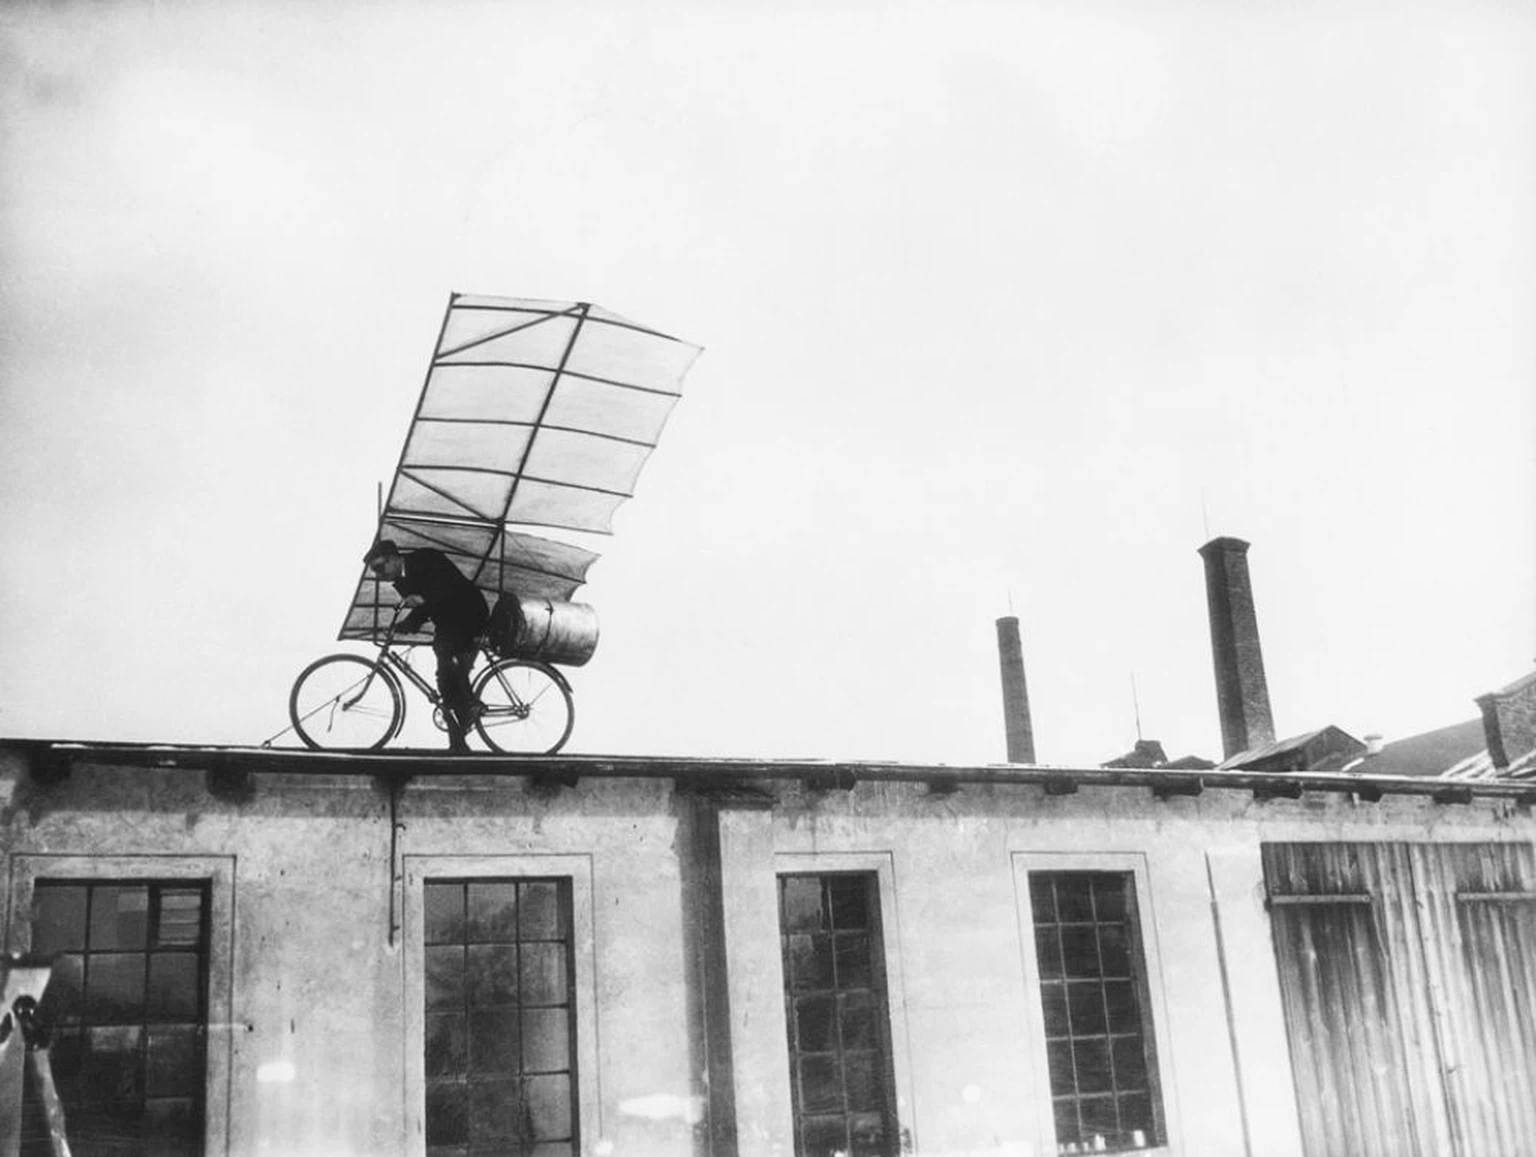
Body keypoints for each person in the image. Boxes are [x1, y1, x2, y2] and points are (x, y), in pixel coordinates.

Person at [364, 539, 489, 753]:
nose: (378, 574)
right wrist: (406, 625)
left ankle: (470, 705)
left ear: (393, 558)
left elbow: (450, 586)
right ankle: (458, 742)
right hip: (449, 621)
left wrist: (422, 598)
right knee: (444, 681)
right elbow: (423, 610)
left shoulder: (426, 558)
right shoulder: (401, 582)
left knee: (443, 650)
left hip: (469, 611)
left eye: (379, 567)